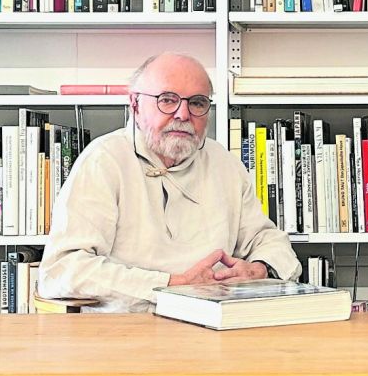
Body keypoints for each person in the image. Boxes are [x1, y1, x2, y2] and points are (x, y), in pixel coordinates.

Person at [38, 52, 300, 312]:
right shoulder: (104, 160)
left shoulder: (224, 163)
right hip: (126, 332)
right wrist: (173, 285)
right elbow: (63, 269)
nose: (183, 114)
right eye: (167, 100)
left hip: (217, 327)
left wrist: (259, 269)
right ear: (136, 105)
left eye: (197, 103)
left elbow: (268, 240)